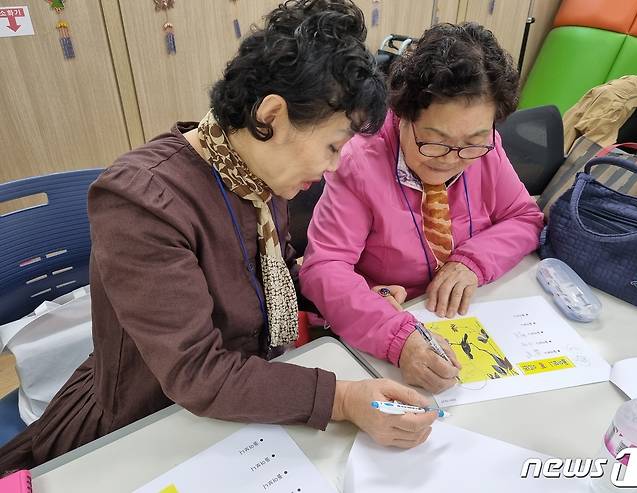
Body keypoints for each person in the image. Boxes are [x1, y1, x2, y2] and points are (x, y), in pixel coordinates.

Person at [0, 0, 438, 473]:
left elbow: (271, 275)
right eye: (332, 146)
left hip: (241, 401)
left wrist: (357, 298)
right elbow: (195, 371)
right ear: (271, 115)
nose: (333, 166)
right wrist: (345, 398)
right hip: (142, 422)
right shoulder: (140, 202)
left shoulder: (257, 172)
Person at [299, 23, 544, 395]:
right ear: (403, 114)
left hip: (465, 317)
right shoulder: (359, 161)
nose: (453, 159)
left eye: (473, 142)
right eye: (435, 141)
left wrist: (471, 262)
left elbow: (525, 217)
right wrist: (398, 338)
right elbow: (324, 268)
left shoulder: (485, 149)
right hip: (383, 322)